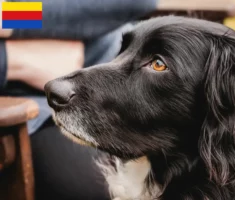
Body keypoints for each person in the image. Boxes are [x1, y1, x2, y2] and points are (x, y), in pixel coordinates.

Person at [0, 0, 158, 199]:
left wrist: (8, 17)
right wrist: (13, 60)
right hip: (23, 107)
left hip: (122, 71)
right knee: (95, 187)